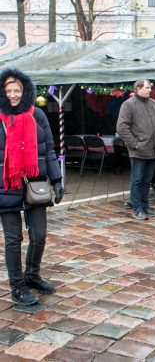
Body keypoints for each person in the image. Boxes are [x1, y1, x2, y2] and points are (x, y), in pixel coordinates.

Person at [0, 69, 64, 307]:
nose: (13, 95)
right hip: (5, 184)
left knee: (39, 236)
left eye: (17, 90)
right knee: (13, 239)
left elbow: (48, 149)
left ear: (25, 91)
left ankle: (32, 275)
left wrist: (56, 180)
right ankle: (17, 287)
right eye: (8, 91)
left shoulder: (37, 115)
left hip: (34, 183)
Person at [117, 79, 155, 221]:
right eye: (147, 87)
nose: (150, 90)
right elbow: (121, 128)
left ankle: (145, 206)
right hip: (139, 151)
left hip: (154, 149)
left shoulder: (154, 103)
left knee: (147, 180)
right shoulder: (128, 105)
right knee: (137, 180)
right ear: (138, 88)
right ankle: (137, 208)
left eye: (150, 87)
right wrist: (135, 144)